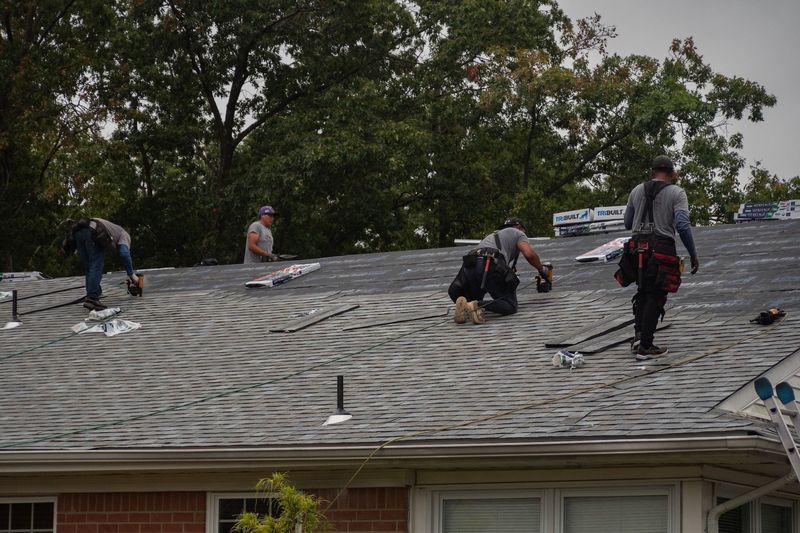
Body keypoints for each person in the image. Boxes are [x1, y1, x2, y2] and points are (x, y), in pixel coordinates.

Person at [618, 155, 700, 360]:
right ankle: (646, 345)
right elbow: (682, 225)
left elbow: (628, 223)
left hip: (636, 248)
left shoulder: (636, 190)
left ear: (652, 172)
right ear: (671, 174)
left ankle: (639, 337)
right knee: (656, 294)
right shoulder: (677, 193)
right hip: (661, 247)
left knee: (643, 291)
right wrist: (693, 254)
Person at [448, 217, 551, 324]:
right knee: (510, 305)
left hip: (470, 263)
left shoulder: (492, 236)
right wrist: (542, 269)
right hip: (488, 262)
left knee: (475, 295)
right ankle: (476, 305)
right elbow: (529, 254)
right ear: (520, 227)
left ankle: (466, 305)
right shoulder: (518, 233)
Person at [65, 218, 139, 311]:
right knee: (95, 266)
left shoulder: (113, 229)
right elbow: (124, 254)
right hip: (93, 231)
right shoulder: (124, 234)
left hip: (77, 232)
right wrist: (131, 274)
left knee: (89, 268)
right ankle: (92, 298)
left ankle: (94, 293)